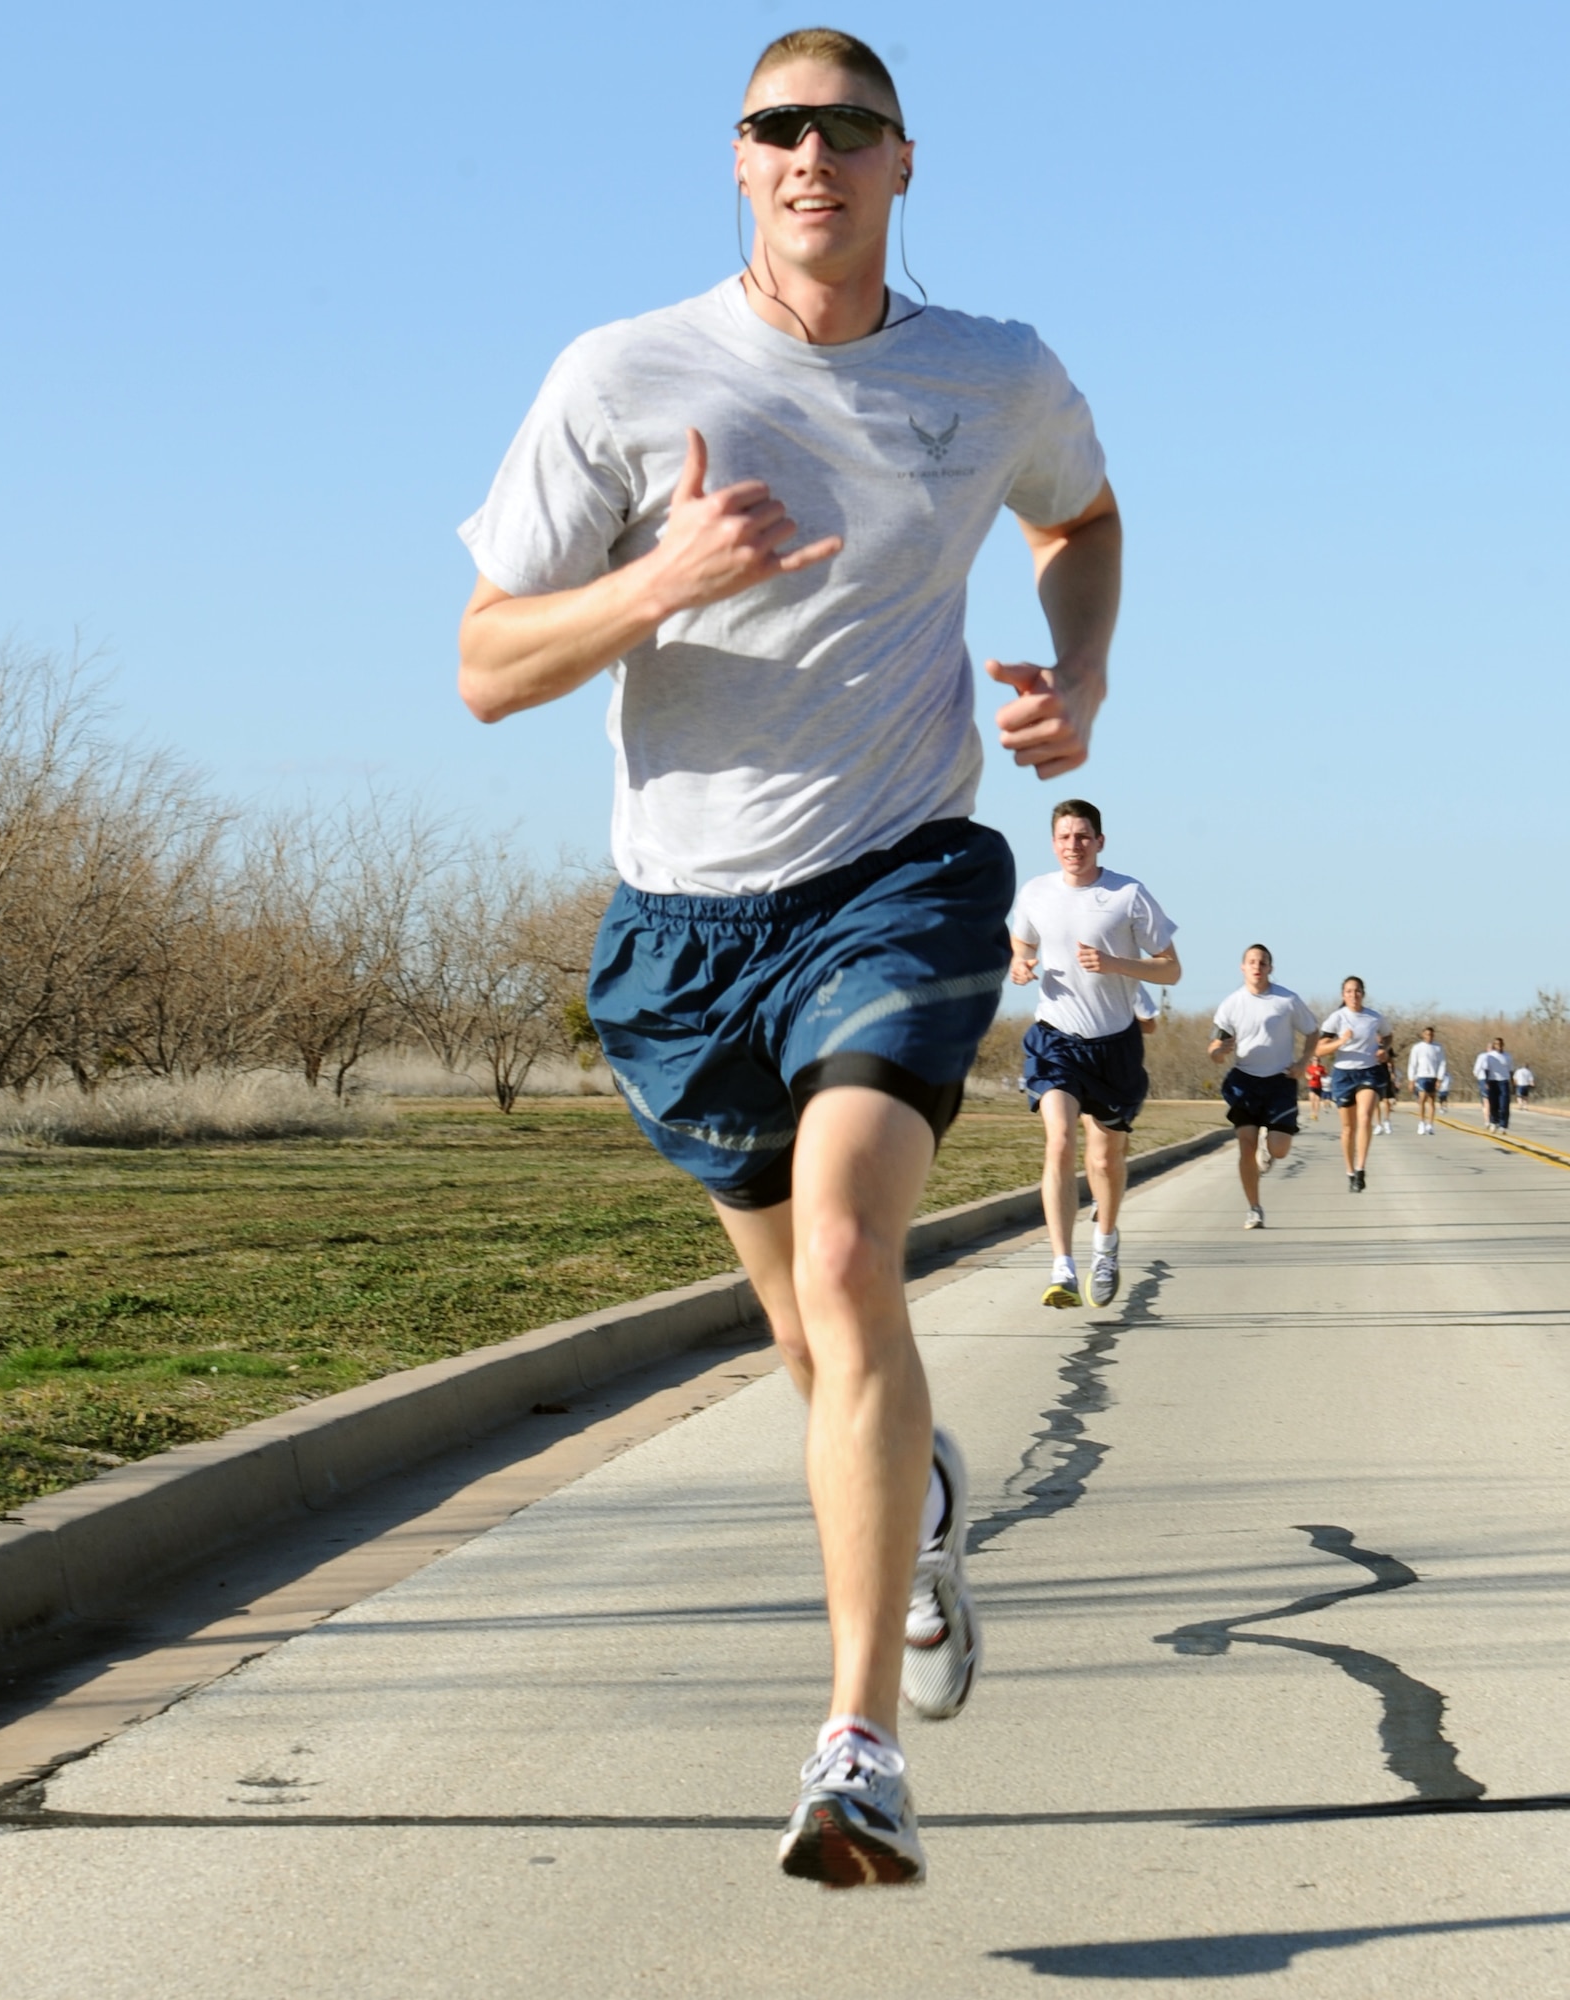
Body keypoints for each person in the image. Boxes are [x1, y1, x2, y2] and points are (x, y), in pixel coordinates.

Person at [455, 28, 1120, 1891]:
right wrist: (654, 584)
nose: (809, 153)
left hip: (899, 875)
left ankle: (860, 1754)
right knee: (809, 1342)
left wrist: (1080, 673)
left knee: (848, 1257)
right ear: (735, 165)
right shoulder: (620, 375)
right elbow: (486, 664)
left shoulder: (996, 372)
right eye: (776, 128)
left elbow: (1085, 518)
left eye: (846, 128)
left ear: (906, 163)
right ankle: (910, 1510)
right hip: (679, 934)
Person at [1010, 801, 1180, 1307]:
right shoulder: (1036, 892)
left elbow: (1170, 970)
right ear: (1053, 843)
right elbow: (1019, 945)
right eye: (1064, 837)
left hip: (1115, 1046)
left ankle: (1104, 1244)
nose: (1073, 846)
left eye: (1083, 836)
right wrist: (1020, 966)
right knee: (1060, 1140)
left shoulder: (1127, 894)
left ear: (1100, 841)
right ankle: (1061, 1266)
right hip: (1056, 1039)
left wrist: (1115, 963)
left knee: (1105, 1160)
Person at [1207, 945, 1319, 1229]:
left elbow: (1312, 1031)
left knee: (1279, 1150)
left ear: (1270, 968)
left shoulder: (1287, 1000)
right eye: (1252, 962)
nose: (1257, 967)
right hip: (1244, 1081)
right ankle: (1254, 1208)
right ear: (1242, 967)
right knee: (1246, 1145)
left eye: (1263, 963)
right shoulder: (1231, 1004)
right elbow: (1215, 1048)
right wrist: (1219, 1050)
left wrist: (1304, 1062)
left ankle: (1269, 1147)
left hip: (1280, 1081)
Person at [1316, 976, 1388, 1191]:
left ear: (1363, 994)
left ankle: (1360, 1169)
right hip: (1343, 1074)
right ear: (1343, 995)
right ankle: (1349, 1171)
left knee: (1365, 1116)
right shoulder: (1336, 1018)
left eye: (1357, 991)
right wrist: (1341, 1041)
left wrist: (1383, 1050)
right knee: (1348, 1128)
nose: (1353, 995)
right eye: (1348, 991)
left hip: (1369, 1071)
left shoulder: (1374, 1017)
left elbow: (1387, 1036)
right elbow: (1319, 1050)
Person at [1407, 1024, 1447, 1134]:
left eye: (1431, 1034)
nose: (1429, 1036)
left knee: (1431, 1101)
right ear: (1423, 1035)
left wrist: (1440, 1078)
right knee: (1422, 1099)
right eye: (1427, 1034)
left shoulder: (1438, 1047)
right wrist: (1411, 1079)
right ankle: (1421, 1123)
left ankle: (1430, 1124)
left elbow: (1442, 1063)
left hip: (1433, 1076)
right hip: (1421, 1076)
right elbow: (1412, 1064)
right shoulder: (1417, 1047)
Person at [1474, 1038, 1513, 1132]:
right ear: (1494, 1046)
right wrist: (1487, 1082)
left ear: (1503, 1045)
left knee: (1504, 1104)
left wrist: (1512, 1081)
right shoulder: (1489, 1056)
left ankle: (1503, 1125)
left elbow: (1511, 1070)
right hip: (1493, 1081)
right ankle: (1493, 1122)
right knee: (1493, 1103)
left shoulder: (1507, 1056)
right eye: (1496, 1044)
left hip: (1504, 1081)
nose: (1498, 1046)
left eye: (1500, 1044)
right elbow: (1486, 1069)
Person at [1305, 1053, 1327, 1121]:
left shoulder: (1321, 1068)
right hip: (1311, 1085)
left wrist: (1320, 1074)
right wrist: (1309, 1077)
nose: (1316, 1061)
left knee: (1317, 1100)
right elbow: (1306, 1075)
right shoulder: (1309, 1067)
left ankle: (1316, 1114)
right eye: (1314, 1060)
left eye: (1317, 1060)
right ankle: (1312, 1112)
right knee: (1312, 1098)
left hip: (1319, 1085)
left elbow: (1325, 1075)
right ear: (1312, 1061)